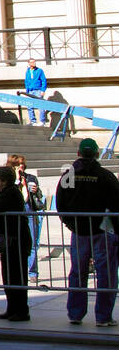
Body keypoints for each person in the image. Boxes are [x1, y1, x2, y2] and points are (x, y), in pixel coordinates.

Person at [56, 138, 119, 326]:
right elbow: (116, 206)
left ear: (78, 154)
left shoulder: (68, 175)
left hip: (79, 231)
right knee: (106, 274)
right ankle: (103, 316)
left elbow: (61, 205)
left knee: (78, 272)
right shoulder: (105, 176)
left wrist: (71, 225)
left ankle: (75, 314)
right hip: (102, 230)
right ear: (97, 154)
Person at [0, 165, 32, 321]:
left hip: (16, 241)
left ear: (4, 180)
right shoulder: (5, 193)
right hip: (10, 240)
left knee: (16, 277)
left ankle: (21, 310)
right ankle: (12, 308)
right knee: (8, 276)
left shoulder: (10, 193)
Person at [6, 153, 44, 285]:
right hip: (16, 214)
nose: (21, 167)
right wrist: (16, 181)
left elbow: (39, 195)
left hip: (29, 211)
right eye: (17, 165)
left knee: (32, 244)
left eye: (22, 165)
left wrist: (36, 190)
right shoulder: (9, 180)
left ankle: (33, 272)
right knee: (16, 244)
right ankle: (18, 272)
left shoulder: (31, 178)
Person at [23, 58, 48, 125]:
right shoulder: (27, 71)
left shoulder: (39, 70)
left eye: (34, 62)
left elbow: (43, 80)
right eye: (32, 62)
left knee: (40, 105)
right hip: (30, 91)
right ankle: (33, 121)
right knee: (29, 106)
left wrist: (43, 90)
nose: (34, 63)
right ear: (29, 63)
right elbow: (26, 81)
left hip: (38, 90)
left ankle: (42, 121)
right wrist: (27, 91)